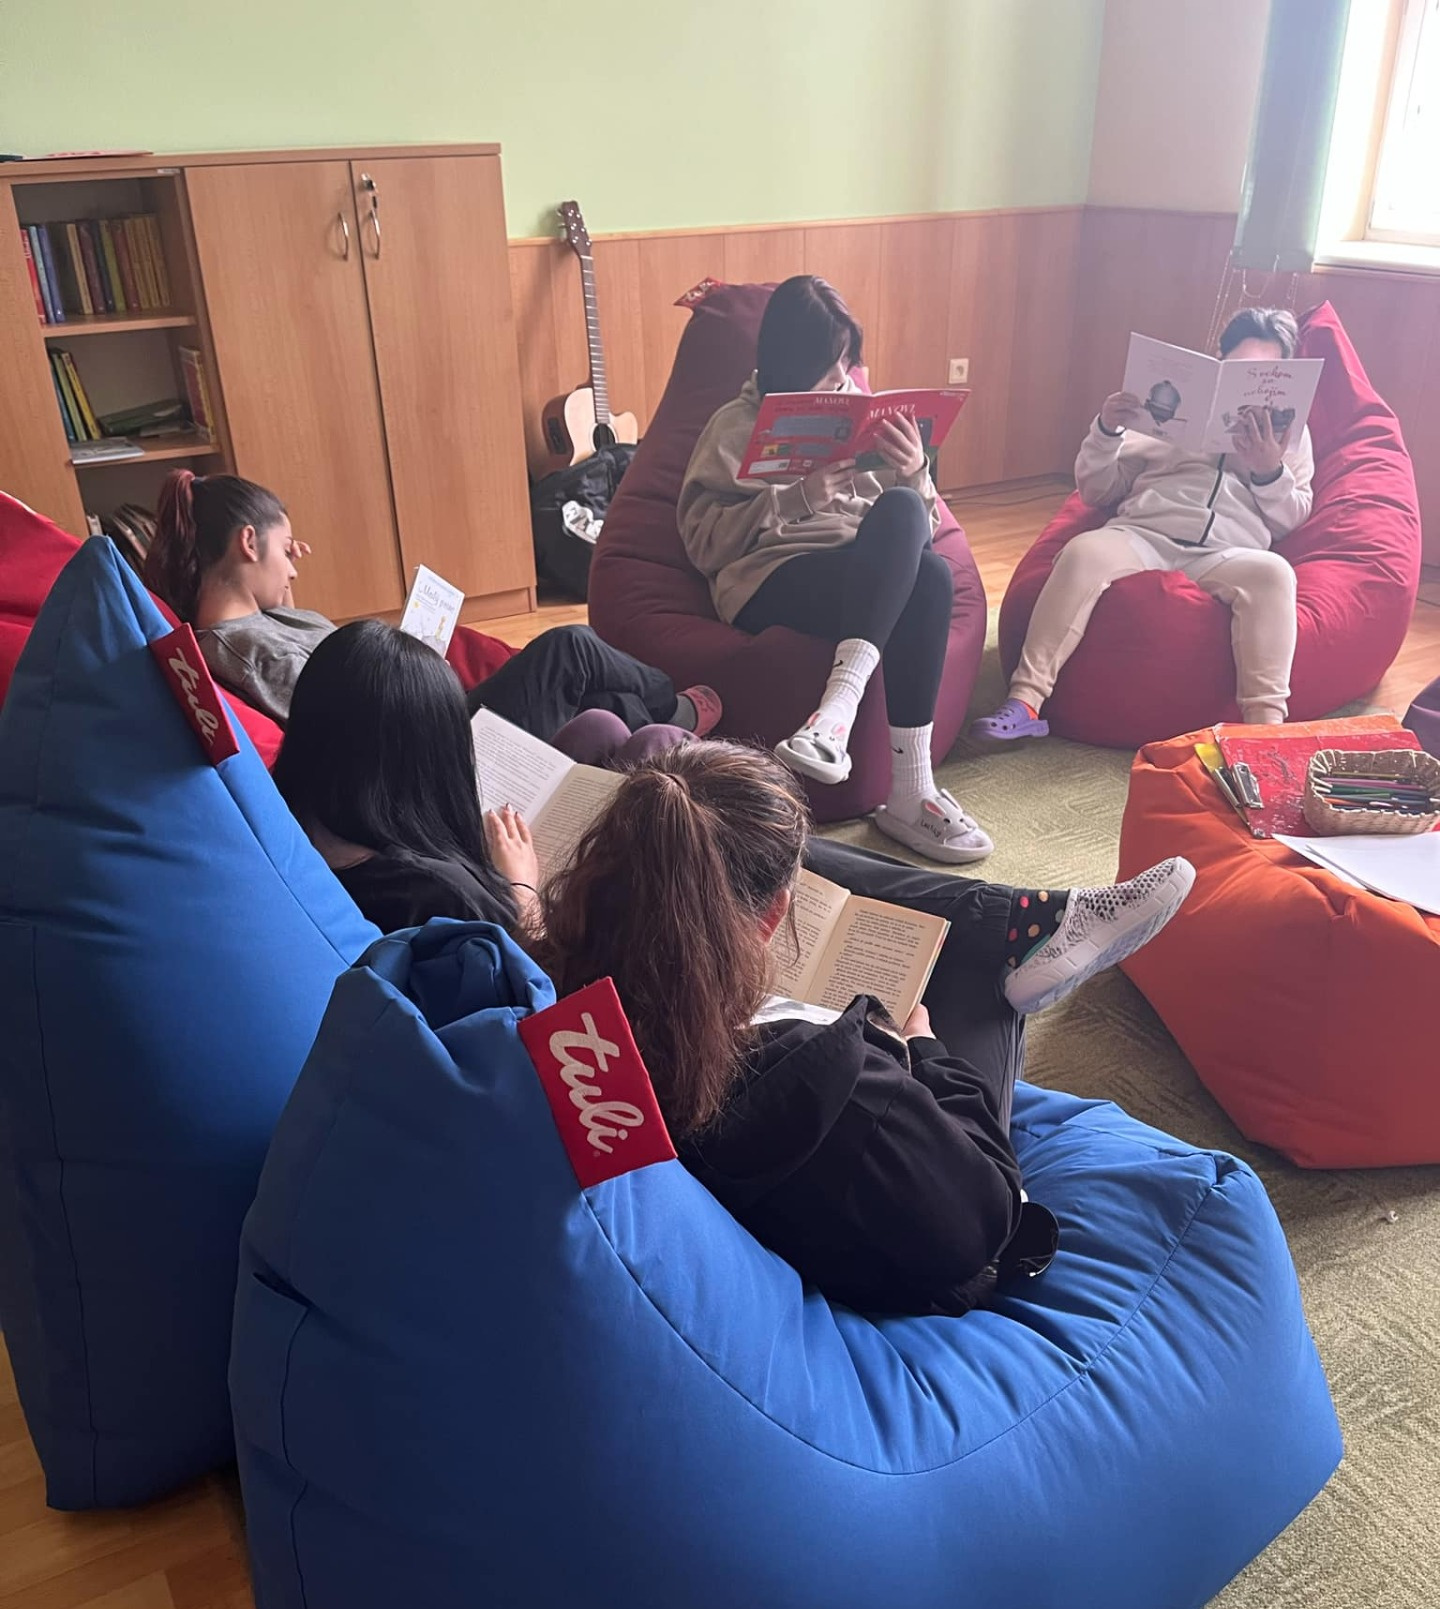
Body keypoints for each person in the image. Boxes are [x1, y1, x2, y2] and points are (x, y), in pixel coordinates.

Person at [537, 741, 1194, 1318]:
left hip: (784, 1179)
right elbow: (986, 1225)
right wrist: (924, 1053)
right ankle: (1017, 935)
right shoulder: (842, 1090)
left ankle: (1018, 920)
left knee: (718, 829)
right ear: (771, 919)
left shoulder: (545, 980)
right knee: (979, 984)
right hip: (905, 1253)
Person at [678, 275, 991, 864]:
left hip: (862, 569)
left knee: (926, 561)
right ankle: (881, 759)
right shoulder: (731, 426)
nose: (841, 375)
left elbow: (919, 533)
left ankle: (873, 756)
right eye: (829, 364)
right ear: (791, 362)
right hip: (773, 576)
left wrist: (915, 472)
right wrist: (797, 498)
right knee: (925, 576)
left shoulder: (862, 413)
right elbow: (703, 544)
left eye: (848, 360)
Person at [141, 468, 720, 742]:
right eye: (286, 546)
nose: (296, 561)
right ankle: (672, 704)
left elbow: (319, 662)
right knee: (569, 646)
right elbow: (352, 728)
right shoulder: (247, 652)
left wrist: (283, 588)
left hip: (432, 720)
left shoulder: (256, 623)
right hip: (440, 746)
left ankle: (658, 729)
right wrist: (418, 670)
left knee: (607, 701)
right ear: (248, 543)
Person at [972, 307, 1314, 743]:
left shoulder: (1293, 437)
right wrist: (1107, 430)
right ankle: (1025, 702)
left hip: (1228, 552)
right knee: (1083, 552)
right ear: (1220, 361)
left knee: (1276, 574)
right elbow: (1098, 490)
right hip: (1144, 533)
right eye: (1239, 367)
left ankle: (1264, 735)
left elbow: (1291, 518)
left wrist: (1268, 471)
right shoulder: (1169, 411)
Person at [272, 619, 545, 936]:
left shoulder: (279, 826)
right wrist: (523, 889)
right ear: (429, 762)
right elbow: (532, 959)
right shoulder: (443, 895)